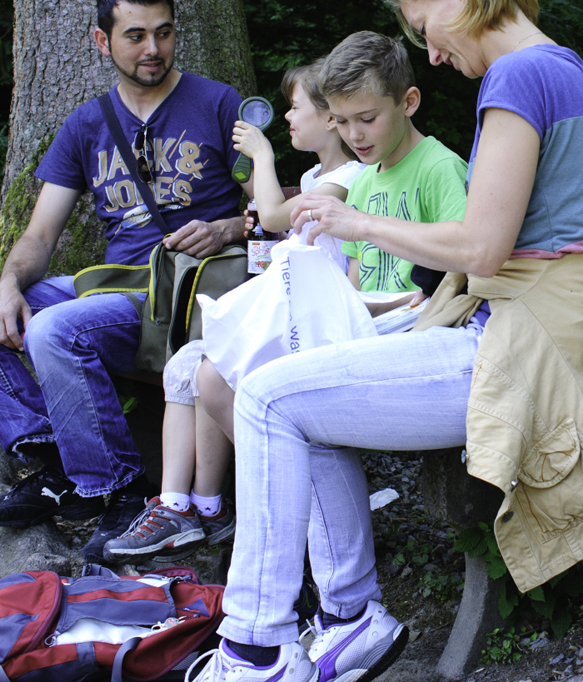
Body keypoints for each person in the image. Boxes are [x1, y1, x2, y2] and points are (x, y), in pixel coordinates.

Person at [190, 0, 583, 682]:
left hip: (532, 353)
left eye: (426, 29)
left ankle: (260, 646)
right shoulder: (563, 70)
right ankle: (347, 619)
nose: (433, 53)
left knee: (270, 397)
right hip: (531, 336)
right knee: (294, 397)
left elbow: (481, 248)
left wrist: (353, 220)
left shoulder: (521, 76)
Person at [0, 0, 251, 561]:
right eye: (135, 36)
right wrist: (6, 285)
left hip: (183, 296)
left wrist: (228, 227)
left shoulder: (216, 103)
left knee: (58, 327)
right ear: (103, 42)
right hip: (113, 290)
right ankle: (53, 462)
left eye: (164, 33)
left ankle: (118, 489)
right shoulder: (87, 124)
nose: (152, 49)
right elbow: (40, 233)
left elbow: (271, 208)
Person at [102, 60, 366, 560]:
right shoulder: (313, 175)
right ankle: (189, 505)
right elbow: (276, 230)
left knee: (213, 369)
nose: (287, 117)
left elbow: (273, 213)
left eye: (295, 107)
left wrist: (262, 159)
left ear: (331, 119)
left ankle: (280, 488)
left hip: (317, 322)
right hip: (290, 311)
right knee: (187, 364)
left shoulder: (349, 176)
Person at [195, 31, 469, 442]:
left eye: (367, 119)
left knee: (266, 394)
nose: (354, 135)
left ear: (408, 102)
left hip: (417, 335)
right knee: (219, 374)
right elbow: (354, 290)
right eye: (342, 122)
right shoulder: (360, 185)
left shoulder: (438, 167)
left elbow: (463, 257)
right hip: (367, 330)